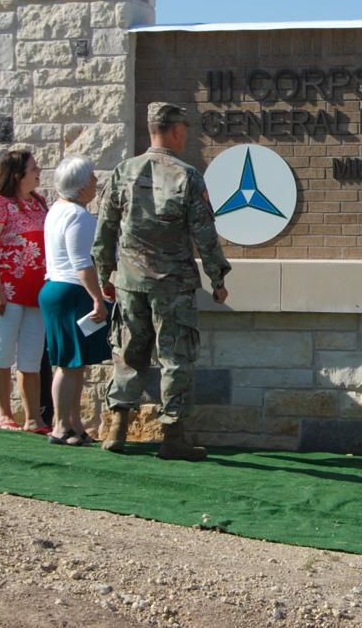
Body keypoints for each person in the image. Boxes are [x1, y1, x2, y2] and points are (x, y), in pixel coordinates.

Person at [94, 102, 231, 461]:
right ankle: (173, 435)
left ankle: (117, 428)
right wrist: (217, 278)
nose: (187, 134)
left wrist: (105, 274)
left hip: (129, 283)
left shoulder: (123, 171)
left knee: (128, 354)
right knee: (176, 358)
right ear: (174, 131)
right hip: (173, 286)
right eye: (185, 128)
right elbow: (205, 234)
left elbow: (105, 229)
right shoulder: (187, 176)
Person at [0, 149, 54, 427]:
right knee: (1, 351)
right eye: (34, 168)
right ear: (18, 175)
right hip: (5, 290)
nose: (38, 171)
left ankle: (33, 417)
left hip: (34, 290)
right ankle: (3, 415)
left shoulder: (39, 202)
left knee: (31, 356)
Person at [40, 156, 111, 446]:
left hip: (56, 289)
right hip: (71, 291)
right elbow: (82, 262)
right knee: (68, 364)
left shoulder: (57, 209)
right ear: (81, 187)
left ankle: (74, 426)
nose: (96, 182)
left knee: (74, 363)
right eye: (92, 178)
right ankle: (60, 426)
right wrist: (98, 298)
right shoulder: (79, 216)